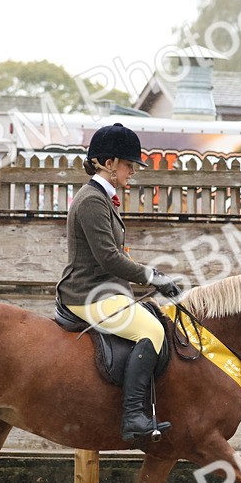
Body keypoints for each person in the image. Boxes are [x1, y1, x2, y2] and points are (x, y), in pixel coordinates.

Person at [56, 123, 181, 442]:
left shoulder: (101, 198)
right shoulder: (92, 201)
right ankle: (134, 416)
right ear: (108, 163)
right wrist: (152, 276)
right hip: (87, 294)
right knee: (151, 331)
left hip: (103, 291)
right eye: (129, 165)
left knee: (154, 320)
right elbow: (109, 258)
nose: (133, 172)